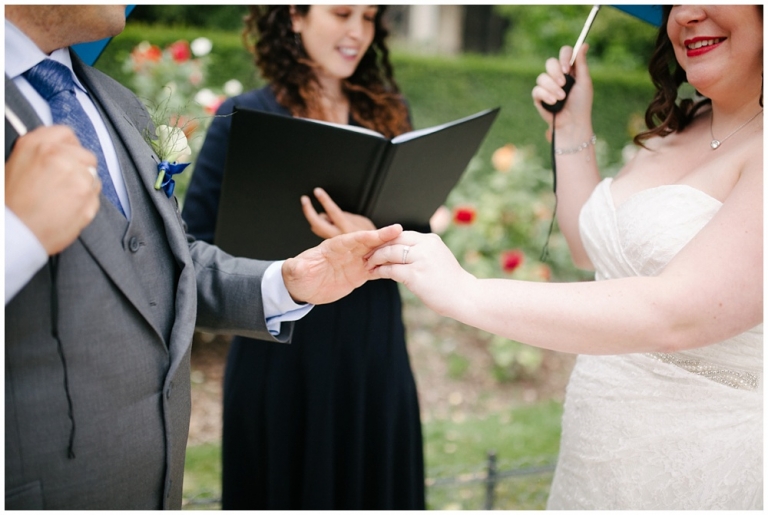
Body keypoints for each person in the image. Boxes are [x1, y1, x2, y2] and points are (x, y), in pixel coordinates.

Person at [4, 5, 402, 510]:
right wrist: (16, 234)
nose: (356, 30)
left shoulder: (118, 104)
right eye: (343, 11)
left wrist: (289, 280)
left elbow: (171, 259)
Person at [365, 5, 763, 509]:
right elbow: (587, 247)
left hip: (704, 465)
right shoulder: (677, 126)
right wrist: (573, 126)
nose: (686, 13)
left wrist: (466, 292)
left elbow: (676, 313)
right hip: (595, 461)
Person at [181, 5, 425, 509]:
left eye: (370, 16)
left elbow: (420, 231)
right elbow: (193, 244)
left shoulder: (390, 112)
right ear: (294, 15)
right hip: (281, 354)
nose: (357, 31)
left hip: (372, 349)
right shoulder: (242, 117)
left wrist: (374, 236)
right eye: (341, 12)